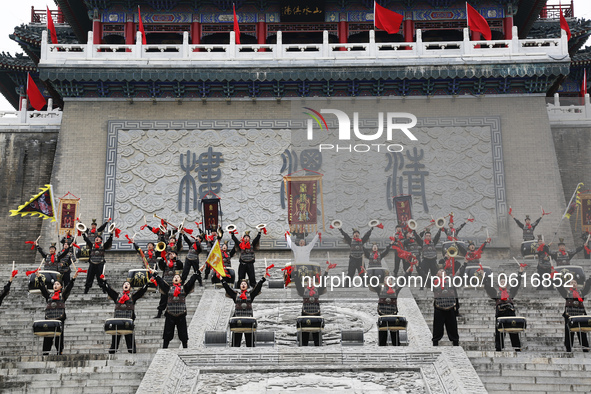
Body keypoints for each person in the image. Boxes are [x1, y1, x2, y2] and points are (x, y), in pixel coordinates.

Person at [98, 276, 149, 353]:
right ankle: (113, 348)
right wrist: (104, 281)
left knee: (129, 336)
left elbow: (141, 291)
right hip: (117, 319)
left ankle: (131, 350)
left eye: (128, 284)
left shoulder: (133, 296)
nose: (126, 285)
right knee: (115, 336)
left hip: (128, 320)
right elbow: (109, 290)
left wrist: (148, 283)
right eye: (125, 284)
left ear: (130, 287)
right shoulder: (117, 296)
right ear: (122, 287)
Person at [152, 270, 201, 349]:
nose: (176, 278)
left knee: (183, 333)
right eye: (175, 277)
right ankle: (164, 348)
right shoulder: (168, 288)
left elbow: (190, 282)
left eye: (178, 277)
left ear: (180, 280)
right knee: (167, 333)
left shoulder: (184, 288)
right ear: (172, 280)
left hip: (181, 314)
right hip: (170, 313)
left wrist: (196, 274)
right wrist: (156, 276)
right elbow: (161, 282)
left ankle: (185, 347)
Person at [37, 269, 80, 355]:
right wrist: (39, 277)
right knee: (48, 336)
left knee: (59, 336)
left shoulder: (63, 295)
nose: (55, 285)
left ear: (61, 287)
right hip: (49, 318)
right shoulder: (49, 296)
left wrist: (73, 278)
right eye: (54, 284)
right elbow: (42, 288)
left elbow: (68, 287)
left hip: (59, 319)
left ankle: (59, 351)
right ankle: (45, 352)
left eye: (57, 284)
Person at [484, 266, 524, 351]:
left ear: (506, 283)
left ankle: (517, 347)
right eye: (501, 281)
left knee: (514, 329)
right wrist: (484, 276)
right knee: (499, 331)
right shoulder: (496, 293)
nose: (502, 282)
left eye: (504, 281)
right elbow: (488, 287)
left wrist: (520, 273)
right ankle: (499, 347)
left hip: (510, 313)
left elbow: (516, 284)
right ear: (499, 283)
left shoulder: (511, 292)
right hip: (501, 313)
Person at [221, 277, 266, 347]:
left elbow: (257, 288)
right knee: (236, 342)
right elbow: (228, 288)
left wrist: (263, 279)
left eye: (245, 284)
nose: (243, 285)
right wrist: (222, 280)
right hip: (238, 320)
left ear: (247, 286)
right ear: (240, 286)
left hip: (248, 320)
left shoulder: (250, 294)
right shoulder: (236, 295)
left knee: (250, 342)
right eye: (242, 284)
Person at [294, 267, 331, 346]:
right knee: (304, 333)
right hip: (305, 313)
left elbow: (323, 282)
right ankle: (304, 347)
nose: (310, 282)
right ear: (307, 282)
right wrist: (295, 272)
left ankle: (317, 347)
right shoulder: (303, 290)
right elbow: (297, 283)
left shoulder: (318, 290)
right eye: (309, 281)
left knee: (317, 334)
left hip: (316, 312)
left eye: (312, 281)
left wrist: (326, 271)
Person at [556, 278, 591, 352]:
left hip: (580, 315)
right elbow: (560, 287)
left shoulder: (581, 293)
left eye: (575, 282)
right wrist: (556, 278)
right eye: (572, 282)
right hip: (570, 316)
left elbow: (587, 286)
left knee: (582, 332)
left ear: (577, 285)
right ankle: (568, 348)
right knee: (569, 332)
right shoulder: (566, 293)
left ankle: (585, 347)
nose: (574, 284)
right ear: (569, 285)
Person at [431, 269, 459, 347]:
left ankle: (455, 342)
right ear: (437, 274)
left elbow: (459, 273)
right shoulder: (434, 282)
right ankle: (435, 342)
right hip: (439, 307)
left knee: (453, 326)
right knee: (437, 327)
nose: (442, 271)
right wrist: (417, 267)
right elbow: (423, 276)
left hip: (450, 306)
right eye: (440, 271)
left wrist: (465, 263)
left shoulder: (451, 281)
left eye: (444, 271)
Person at [155, 250, 185, 318]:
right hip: (165, 282)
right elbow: (161, 266)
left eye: (173, 253)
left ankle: (168, 312)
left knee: (172, 299)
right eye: (170, 254)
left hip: (174, 284)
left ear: (176, 255)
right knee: (163, 299)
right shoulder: (166, 262)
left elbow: (181, 266)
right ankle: (159, 313)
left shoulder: (177, 262)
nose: (171, 255)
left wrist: (175, 259)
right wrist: (163, 258)